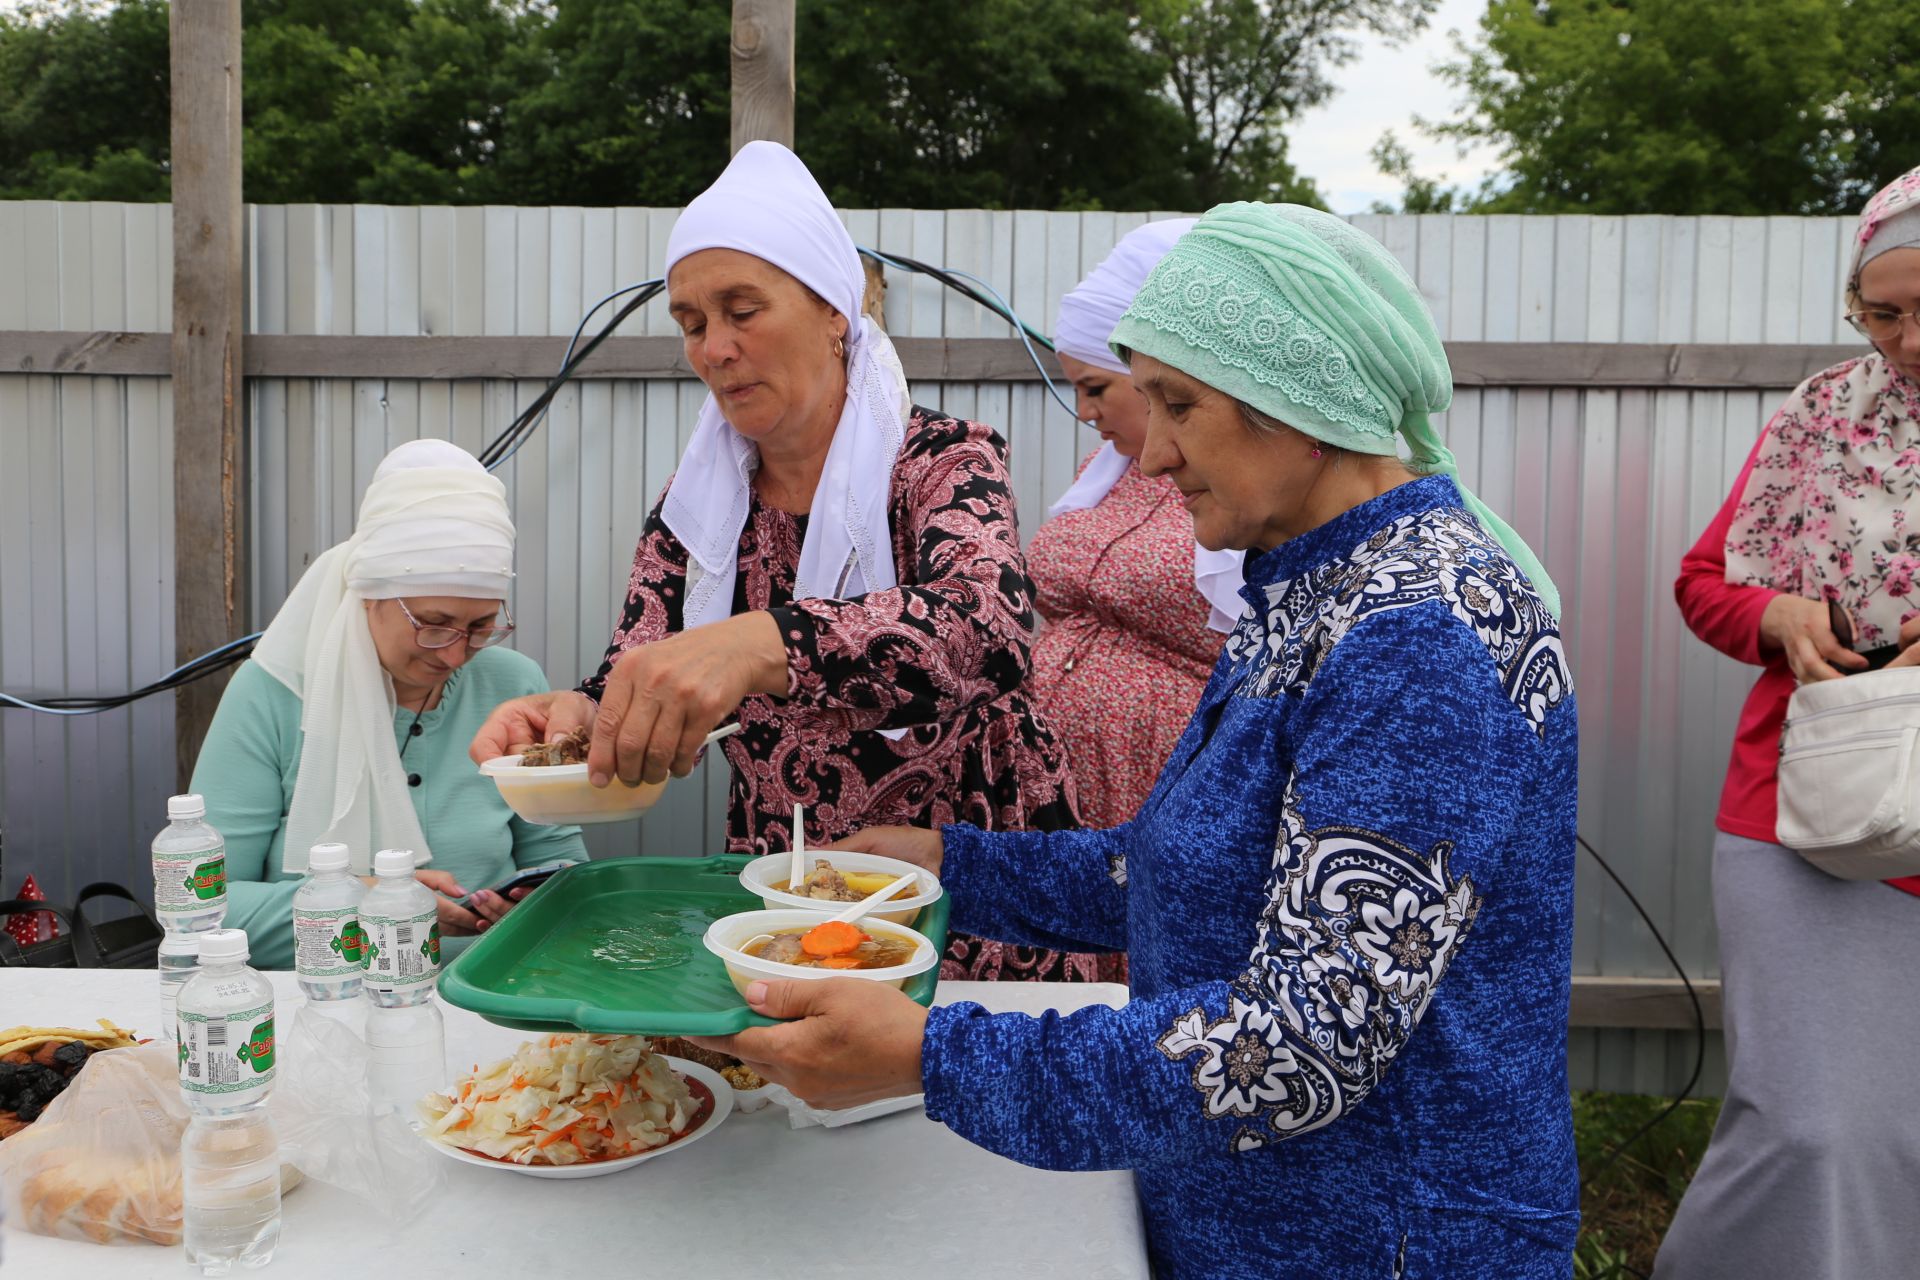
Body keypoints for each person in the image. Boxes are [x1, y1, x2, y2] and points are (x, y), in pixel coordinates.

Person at [690, 204, 1581, 1278]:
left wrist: (931, 1054)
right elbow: (1188, 871)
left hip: (1383, 1236)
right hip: (1259, 1216)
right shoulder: (1316, 581)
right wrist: (948, 865)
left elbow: (1299, 1043)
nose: (1151, 452)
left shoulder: (1417, 636)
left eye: (1180, 404)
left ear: (1303, 404)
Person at [470, 143, 1096, 982]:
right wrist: (574, 720)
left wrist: (760, 644)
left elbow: (988, 629)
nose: (714, 348)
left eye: (742, 310)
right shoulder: (697, 507)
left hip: (962, 885)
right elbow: (644, 665)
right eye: (691, 323)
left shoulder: (942, 464)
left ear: (834, 312)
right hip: (788, 885)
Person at [1656, 164, 1920, 1280]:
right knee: (1808, 1126)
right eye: (1883, 311)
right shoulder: (1819, 416)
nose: (1903, 341)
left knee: (1901, 1136)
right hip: (1812, 811)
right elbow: (1706, 579)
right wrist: (1780, 613)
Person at [192, 440, 586, 969]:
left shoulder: (513, 685)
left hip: (491, 992)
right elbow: (203, 909)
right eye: (432, 624)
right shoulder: (272, 695)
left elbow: (559, 863)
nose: (454, 652)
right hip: (321, 1000)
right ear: (367, 596)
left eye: (480, 627)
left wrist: (535, 901)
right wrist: (368, 905)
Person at [1032, 218, 1242, 834]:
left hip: (1161, 789)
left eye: (1094, 388)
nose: (1084, 412)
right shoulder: (1100, 477)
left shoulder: (1242, 491)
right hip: (1053, 782)